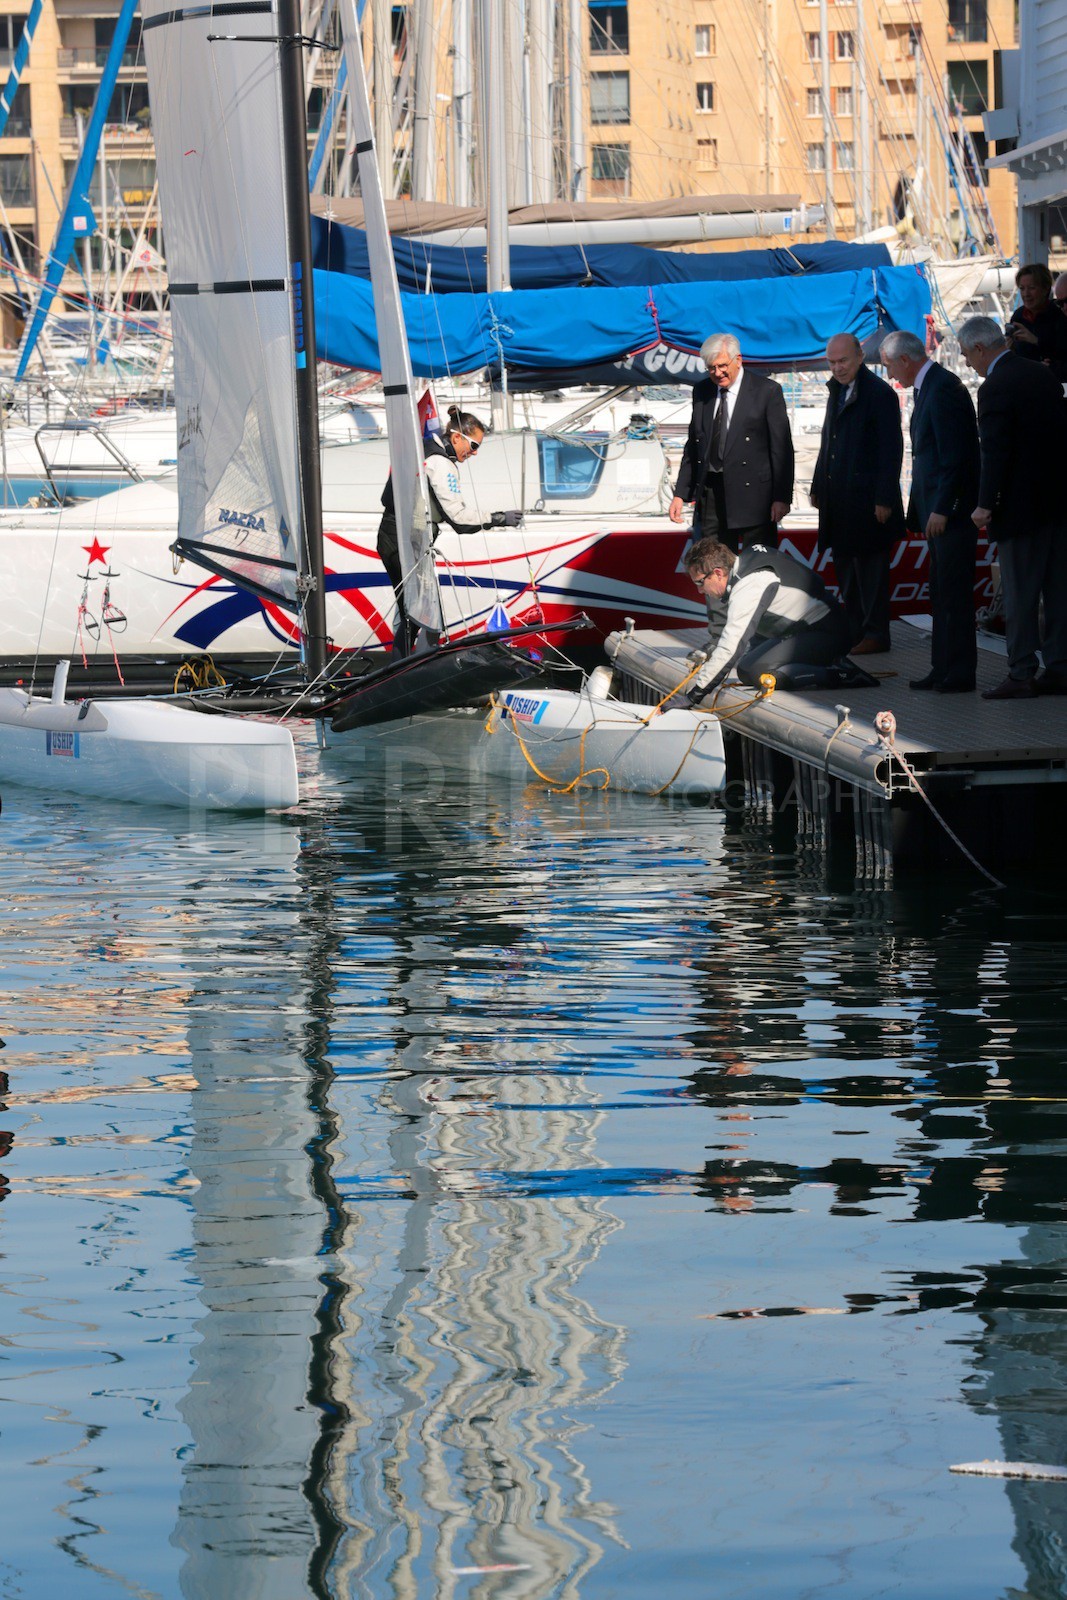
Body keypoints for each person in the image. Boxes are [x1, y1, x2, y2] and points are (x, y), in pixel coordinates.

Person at [958, 314, 1067, 698]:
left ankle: (1021, 673)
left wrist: (985, 504)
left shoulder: (995, 387)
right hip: (1057, 504)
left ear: (979, 348)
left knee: (1020, 593)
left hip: (1019, 511)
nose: (969, 365)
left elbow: (995, 452)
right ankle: (1059, 668)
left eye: (967, 357)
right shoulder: (1042, 375)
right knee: (1058, 592)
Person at [880, 329, 981, 692]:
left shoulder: (944, 388)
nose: (891, 375)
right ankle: (943, 667)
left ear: (905, 359)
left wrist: (943, 509)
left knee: (954, 595)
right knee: (940, 593)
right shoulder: (929, 388)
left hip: (949, 515)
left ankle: (959, 672)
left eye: (890, 366)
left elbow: (958, 458)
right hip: (935, 512)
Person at [377, 405, 522, 654]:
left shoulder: (424, 448)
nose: (474, 453)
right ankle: (403, 668)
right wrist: (500, 518)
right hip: (406, 540)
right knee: (422, 613)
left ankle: (404, 663)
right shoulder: (440, 463)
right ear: (456, 437)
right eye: (474, 446)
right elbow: (461, 520)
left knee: (414, 611)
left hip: (395, 536)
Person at [810, 332, 905, 655]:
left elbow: (891, 451)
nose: (837, 368)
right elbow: (827, 443)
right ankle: (856, 631)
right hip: (839, 500)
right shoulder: (835, 391)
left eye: (842, 361)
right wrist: (817, 486)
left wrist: (884, 498)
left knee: (871, 573)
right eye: (832, 362)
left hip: (867, 501)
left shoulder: (880, 394)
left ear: (860, 357)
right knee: (847, 571)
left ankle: (876, 633)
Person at [680, 536, 861, 699]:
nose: (699, 590)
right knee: (750, 663)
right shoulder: (745, 563)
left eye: (700, 582)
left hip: (828, 633)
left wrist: (695, 693)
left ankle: (840, 673)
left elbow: (731, 647)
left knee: (752, 671)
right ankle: (830, 663)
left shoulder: (751, 583)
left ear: (718, 573)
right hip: (808, 628)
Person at [668, 333, 794, 552]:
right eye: (711, 368)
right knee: (714, 564)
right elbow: (693, 446)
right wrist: (680, 493)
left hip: (756, 498)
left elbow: (781, 449)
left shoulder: (767, 391)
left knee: (757, 568)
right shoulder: (702, 391)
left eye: (722, 365)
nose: (717, 373)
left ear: (738, 359)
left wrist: (781, 498)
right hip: (711, 496)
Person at [1005, 263, 1067, 381]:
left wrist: (1036, 340)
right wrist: (1009, 348)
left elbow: (1062, 354)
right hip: (1025, 381)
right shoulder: (1018, 316)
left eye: (1032, 288)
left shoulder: (1059, 315)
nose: (1026, 294)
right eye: (1022, 288)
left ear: (1045, 289)